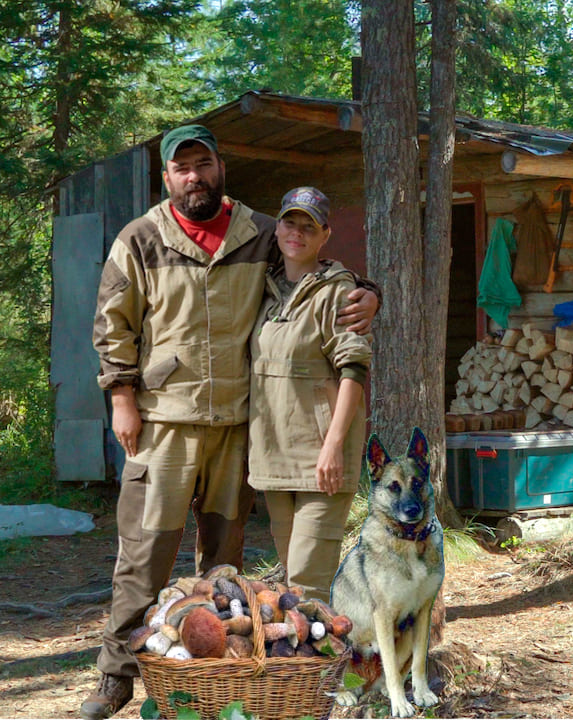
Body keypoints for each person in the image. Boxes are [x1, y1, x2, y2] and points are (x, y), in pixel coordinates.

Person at [83, 126, 379, 720]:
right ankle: (116, 677)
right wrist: (121, 397)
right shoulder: (140, 239)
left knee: (224, 572)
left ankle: (216, 684)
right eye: (181, 168)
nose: (194, 176)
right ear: (167, 178)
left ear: (220, 168)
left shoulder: (259, 233)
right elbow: (113, 323)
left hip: (237, 430)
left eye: (204, 164)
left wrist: (369, 292)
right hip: (163, 426)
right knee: (143, 560)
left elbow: (314, 270)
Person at [248, 187, 370, 603]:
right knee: (292, 585)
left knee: (307, 582)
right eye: (290, 222)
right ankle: (305, 666)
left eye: (308, 226)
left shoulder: (338, 292)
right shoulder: (261, 289)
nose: (296, 233)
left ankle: (329, 669)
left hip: (322, 460)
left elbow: (354, 369)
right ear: (277, 227)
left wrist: (333, 446)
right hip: (274, 454)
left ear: (325, 235)